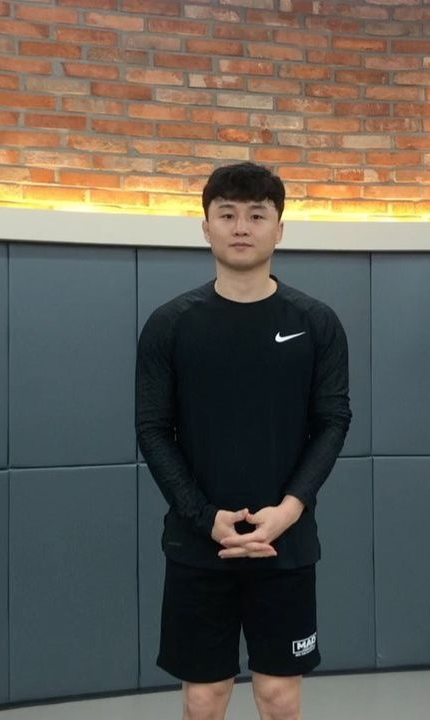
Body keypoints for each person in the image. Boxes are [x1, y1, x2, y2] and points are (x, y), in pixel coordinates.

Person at [135, 162, 351, 720]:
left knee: (279, 697)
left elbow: (332, 420)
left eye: (257, 215)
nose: (241, 227)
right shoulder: (170, 324)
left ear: (280, 229)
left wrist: (289, 510)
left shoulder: (316, 322)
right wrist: (204, 517)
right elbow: (153, 430)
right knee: (204, 699)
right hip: (198, 545)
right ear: (205, 226)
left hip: (285, 545)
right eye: (227, 214)